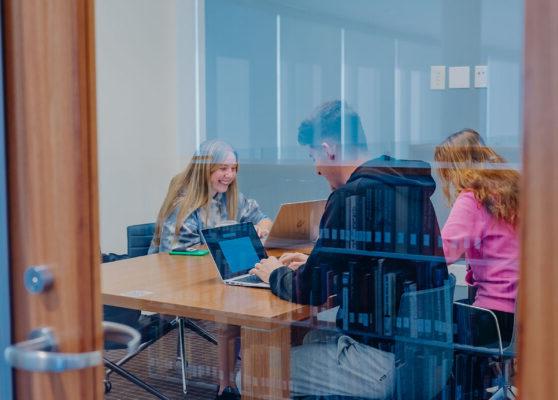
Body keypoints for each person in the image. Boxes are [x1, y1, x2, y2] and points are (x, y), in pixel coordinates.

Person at [250, 101, 448, 399]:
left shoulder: (352, 196)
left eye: (313, 156)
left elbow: (311, 289)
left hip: (379, 362)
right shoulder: (406, 186)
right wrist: (317, 260)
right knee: (311, 339)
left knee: (254, 371)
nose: (317, 169)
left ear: (329, 149)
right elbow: (381, 263)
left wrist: (275, 273)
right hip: (425, 360)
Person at [149, 139, 272, 398]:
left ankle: (243, 379)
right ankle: (228, 385)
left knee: (255, 299)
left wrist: (263, 226)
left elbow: (262, 217)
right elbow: (178, 257)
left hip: (214, 278)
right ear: (204, 169)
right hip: (177, 284)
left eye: (233, 168)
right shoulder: (184, 204)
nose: (229, 175)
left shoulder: (229, 198)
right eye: (222, 168)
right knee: (239, 307)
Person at [434, 129, 519, 345]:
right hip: (523, 313)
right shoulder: (514, 192)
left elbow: (442, 252)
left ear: (456, 168)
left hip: (493, 315)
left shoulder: (473, 199)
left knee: (435, 341)